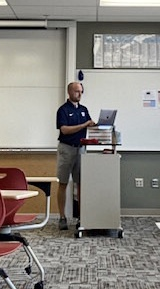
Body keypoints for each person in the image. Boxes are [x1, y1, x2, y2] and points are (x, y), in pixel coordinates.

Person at [56, 82, 95, 230]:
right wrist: (84, 125)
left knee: (81, 184)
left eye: (81, 92)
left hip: (81, 149)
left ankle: (81, 217)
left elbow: (88, 124)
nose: (80, 94)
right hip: (66, 149)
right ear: (70, 92)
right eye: (77, 91)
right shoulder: (63, 110)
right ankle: (62, 217)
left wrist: (95, 125)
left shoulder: (84, 110)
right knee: (63, 183)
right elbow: (64, 130)